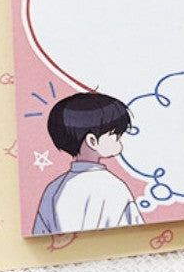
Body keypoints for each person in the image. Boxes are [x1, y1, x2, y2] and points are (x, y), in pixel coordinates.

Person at [33, 92, 144, 234]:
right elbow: (136, 233)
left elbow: (41, 234)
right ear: (92, 141)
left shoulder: (53, 189)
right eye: (115, 136)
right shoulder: (113, 186)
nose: (119, 142)